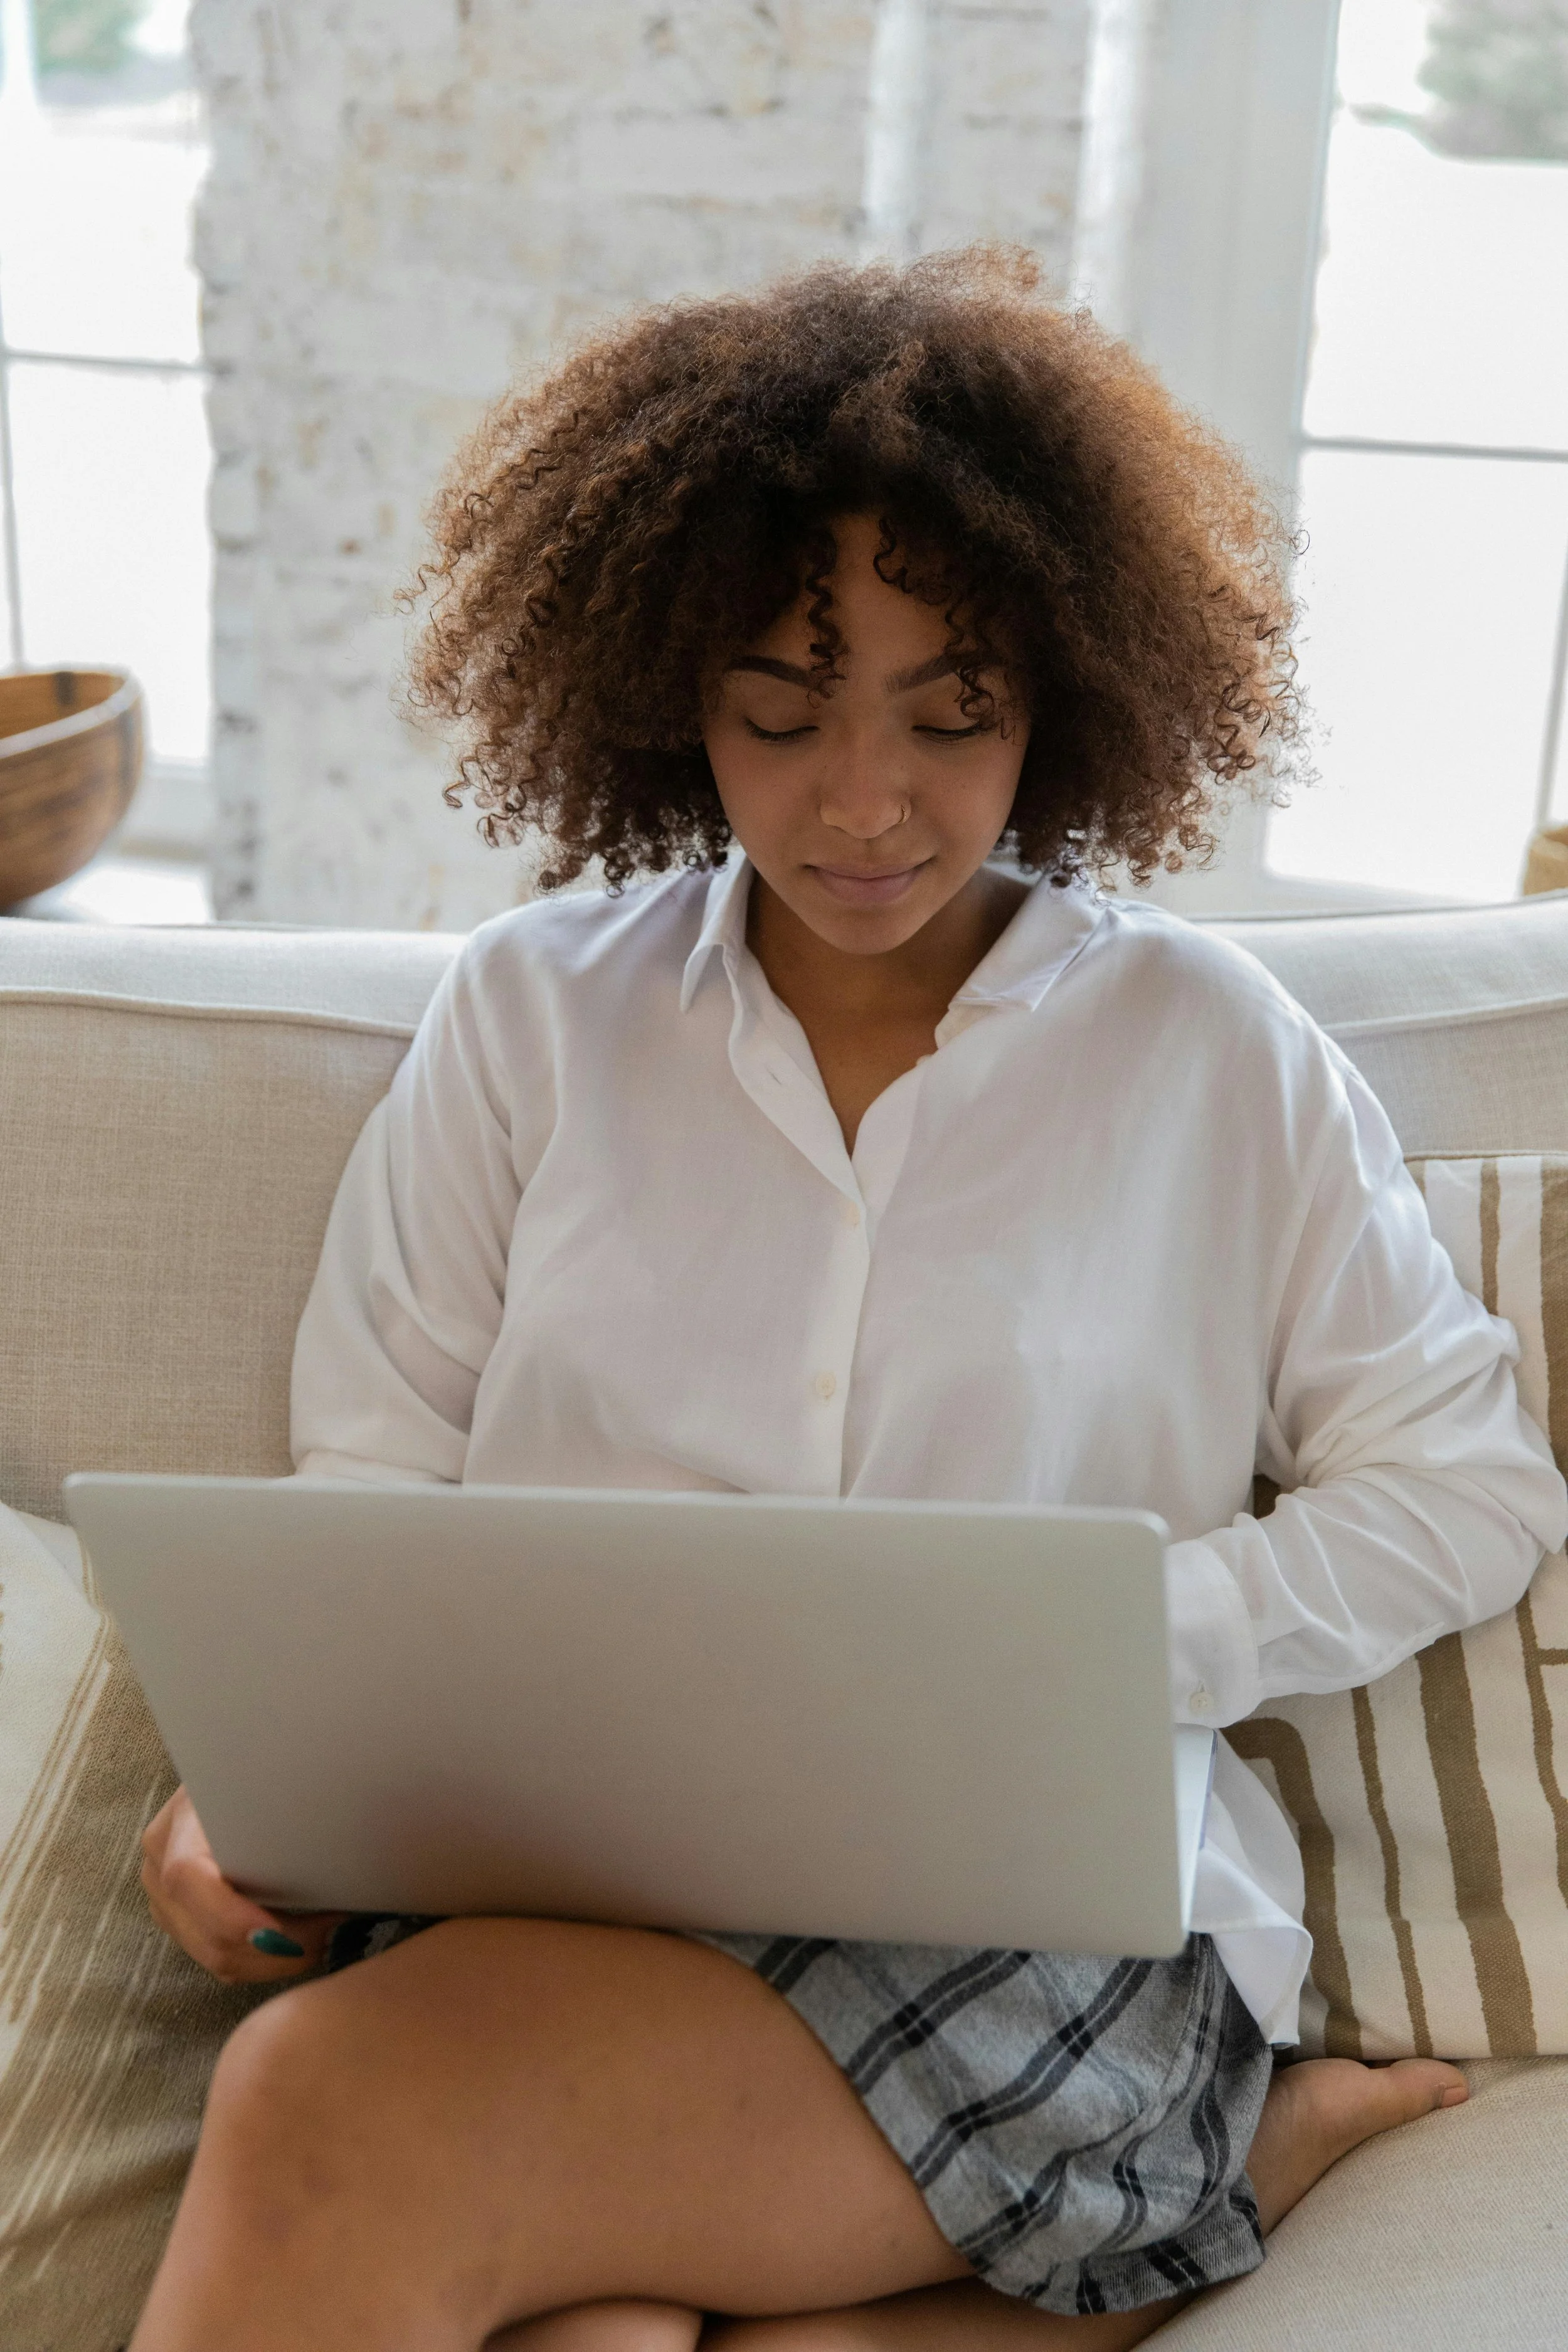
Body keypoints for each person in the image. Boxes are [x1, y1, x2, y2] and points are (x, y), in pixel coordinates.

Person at [134, 251, 1566, 2352]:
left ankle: (1167, 2177)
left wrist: (1116, 1639)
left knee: (331, 2101)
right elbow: (376, 1478)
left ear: (1064, 695)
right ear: (666, 699)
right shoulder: (535, 1019)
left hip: (1024, 1932)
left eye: (948, 715)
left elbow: (1468, 1483)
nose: (863, 803)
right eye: (779, 718)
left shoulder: (1208, 1052)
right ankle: (1152, 2234)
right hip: (566, 1904)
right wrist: (249, 1796)